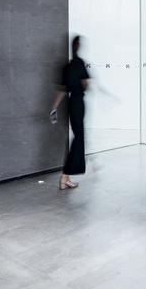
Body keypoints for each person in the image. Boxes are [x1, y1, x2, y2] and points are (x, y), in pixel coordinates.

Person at [50, 35, 90, 190]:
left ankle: (65, 178)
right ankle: (65, 175)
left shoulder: (66, 67)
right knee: (79, 139)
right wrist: (82, 82)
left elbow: (62, 90)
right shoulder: (79, 63)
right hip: (78, 103)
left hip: (70, 103)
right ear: (78, 45)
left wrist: (54, 108)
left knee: (77, 138)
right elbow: (85, 85)